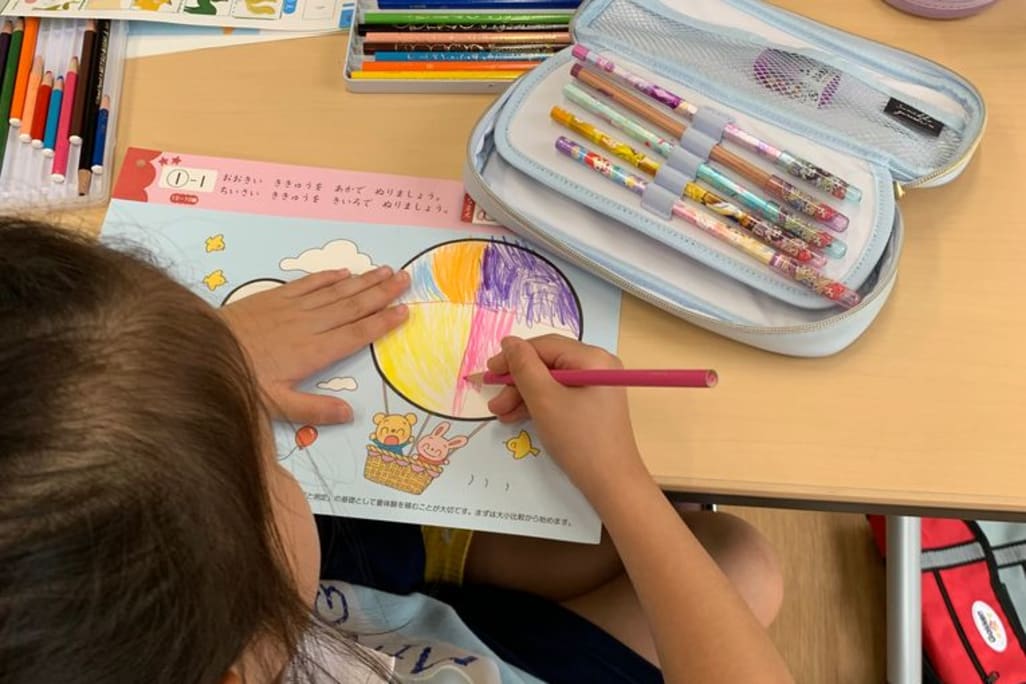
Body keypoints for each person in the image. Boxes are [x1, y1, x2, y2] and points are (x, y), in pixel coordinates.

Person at [0, 218, 793, 683]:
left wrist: (201, 367)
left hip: (362, 616)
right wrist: (619, 480)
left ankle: (445, 558)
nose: (278, 459)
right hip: (470, 662)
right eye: (265, 460)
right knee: (737, 559)